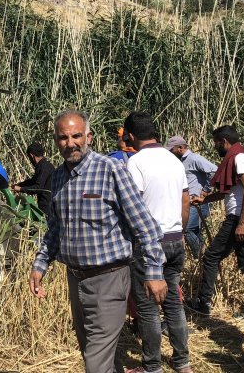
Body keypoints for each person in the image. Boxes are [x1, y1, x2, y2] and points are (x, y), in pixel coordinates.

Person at [29, 110, 167, 373]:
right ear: (56, 141)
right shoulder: (57, 178)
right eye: (63, 137)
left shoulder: (110, 169)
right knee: (94, 354)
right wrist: (40, 265)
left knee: (95, 363)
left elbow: (145, 226)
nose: (70, 143)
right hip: (76, 280)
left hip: (109, 279)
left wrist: (154, 272)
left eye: (76, 136)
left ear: (89, 137)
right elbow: (55, 230)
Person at [122, 112, 192, 373]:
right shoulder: (174, 160)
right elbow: (185, 201)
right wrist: (180, 231)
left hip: (149, 244)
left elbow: (133, 206)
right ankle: (182, 362)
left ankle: (152, 366)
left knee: (149, 308)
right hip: (175, 239)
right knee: (174, 303)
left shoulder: (136, 162)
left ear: (130, 136)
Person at [184, 125, 244, 318]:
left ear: (224, 142)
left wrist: (241, 223)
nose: (215, 147)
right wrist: (205, 199)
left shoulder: (238, 158)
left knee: (210, 257)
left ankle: (203, 304)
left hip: (239, 219)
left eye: (216, 143)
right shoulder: (237, 157)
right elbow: (230, 192)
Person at [166, 136, 217, 258]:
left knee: (187, 230)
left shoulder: (194, 158)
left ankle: (200, 255)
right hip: (188, 204)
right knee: (194, 232)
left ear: (180, 148)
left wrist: (205, 190)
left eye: (171, 150)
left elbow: (214, 171)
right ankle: (203, 260)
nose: (170, 152)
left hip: (197, 204)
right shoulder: (179, 162)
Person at [12, 142, 55, 220]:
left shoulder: (44, 168)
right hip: (47, 205)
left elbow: (38, 188)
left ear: (32, 156)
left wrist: (20, 189)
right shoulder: (44, 166)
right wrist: (19, 185)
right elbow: (33, 181)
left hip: (47, 207)